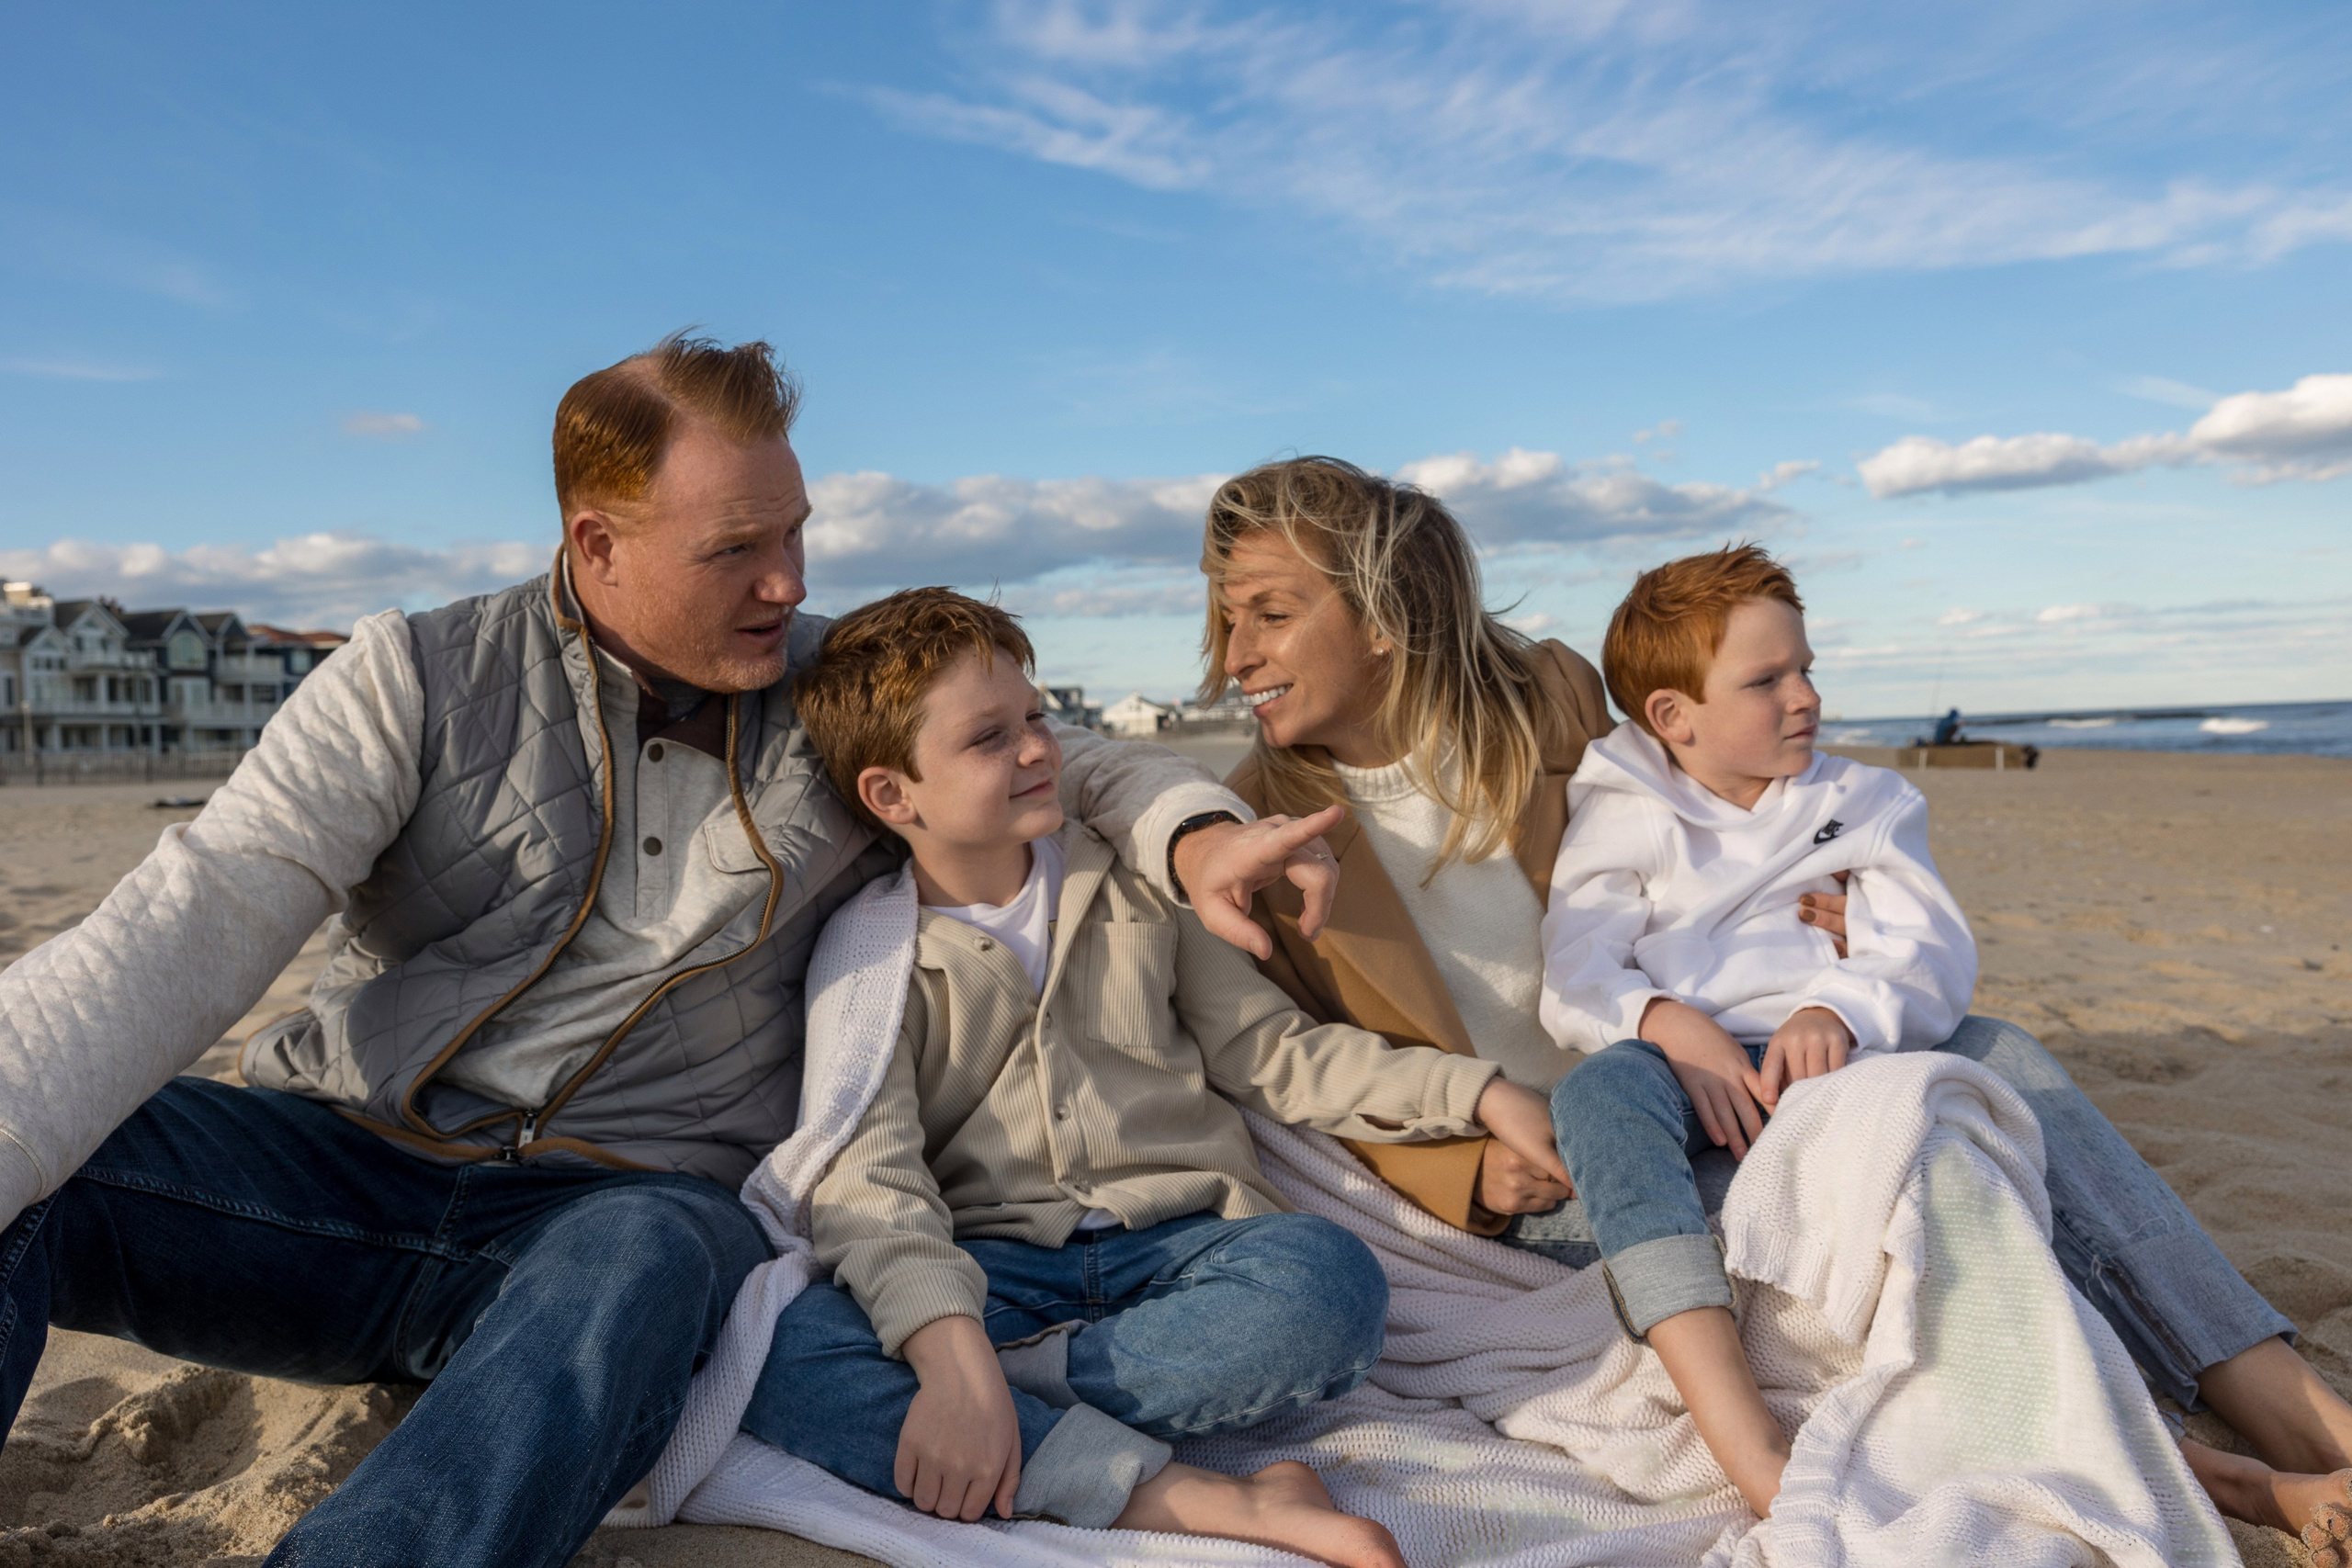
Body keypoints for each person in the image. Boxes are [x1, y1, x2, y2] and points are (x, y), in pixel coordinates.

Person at [0, 337, 1344, 1568]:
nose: (791, 580)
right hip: (348, 1175)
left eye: (800, 534)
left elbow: (1073, 755)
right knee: (40, 1140)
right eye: (739, 548)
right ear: (598, 541)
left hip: (628, 1219)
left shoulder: (827, 697)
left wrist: (1196, 834)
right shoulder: (411, 675)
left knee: (649, 1248)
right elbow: (192, 915)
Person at [1205, 454, 2352, 1547]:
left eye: (1266, 611)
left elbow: (1702, 819)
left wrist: (1830, 931)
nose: (1230, 651)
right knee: (1916, 1231)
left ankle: (2289, 1407)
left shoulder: (1543, 697)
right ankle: (2214, 1475)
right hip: (1576, 1160)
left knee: (1995, 1057)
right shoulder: (1252, 819)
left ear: (1386, 608)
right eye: (1222, 616)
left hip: (1728, 1078)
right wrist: (1460, 1169)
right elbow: (1286, 1059)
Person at [745, 588, 1566, 1568]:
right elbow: (869, 1182)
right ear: (892, 795)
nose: (1039, 750)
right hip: (993, 1273)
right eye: (988, 739)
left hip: (1188, 1254)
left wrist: (1475, 1093)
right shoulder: (868, 952)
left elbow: (1272, 1051)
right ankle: (1185, 1497)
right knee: (784, 1357)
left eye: (1039, 718)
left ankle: (1004, 1407)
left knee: (1328, 1283)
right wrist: (949, 1342)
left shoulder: (1137, 881)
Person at [1536, 546, 1977, 1516]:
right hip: (1684, 1066)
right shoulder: (1620, 811)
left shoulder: (1862, 802)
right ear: (1671, 715)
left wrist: (1842, 1006)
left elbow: (1931, 948)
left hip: (1834, 1058)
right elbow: (1574, 970)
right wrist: (1662, 1019)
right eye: (1766, 679)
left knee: (1993, 1082)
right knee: (1597, 1092)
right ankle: (1743, 1435)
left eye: (1807, 668)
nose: (1804, 697)